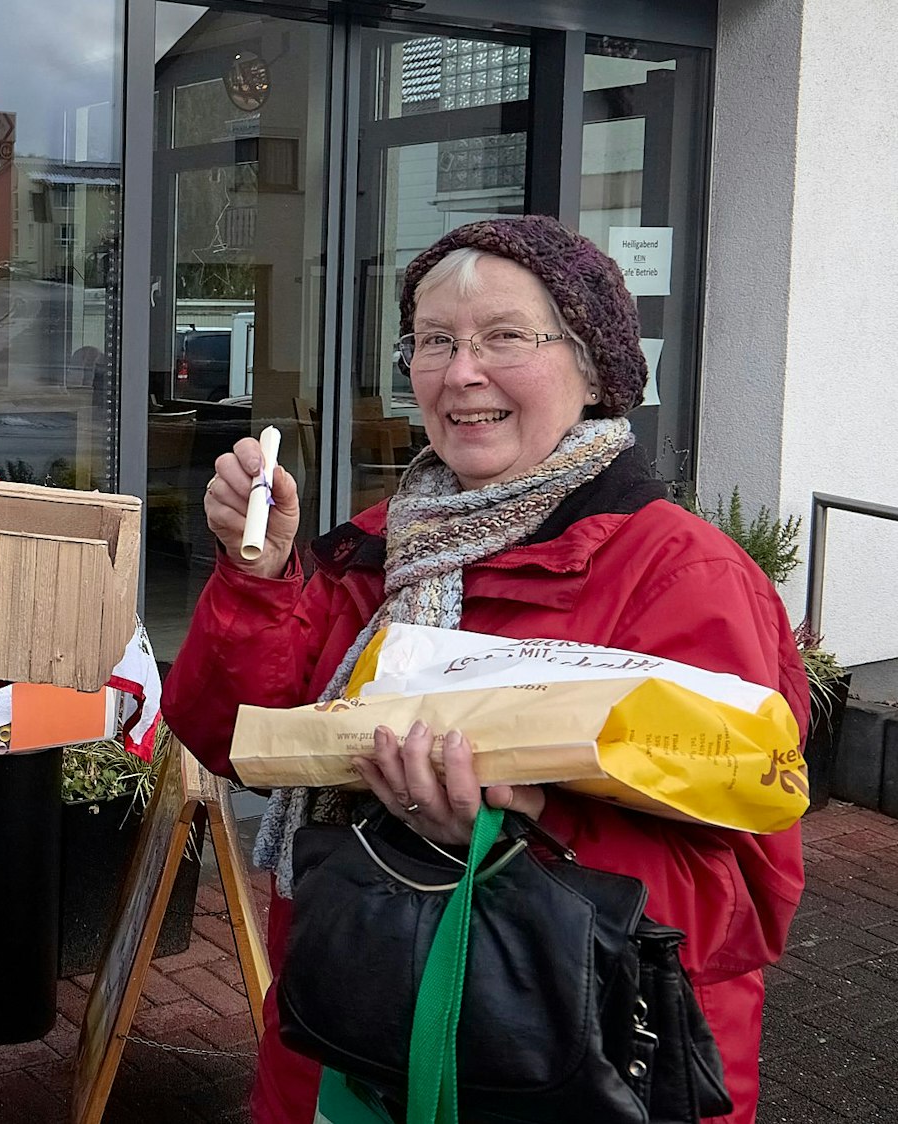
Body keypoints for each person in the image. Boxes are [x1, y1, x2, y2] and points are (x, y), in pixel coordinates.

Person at [163, 215, 807, 1124]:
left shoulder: (683, 579)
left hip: (573, 1063)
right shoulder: (386, 544)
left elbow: (739, 899)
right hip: (352, 1032)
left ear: (591, 371)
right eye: (433, 341)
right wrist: (258, 573)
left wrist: (514, 829)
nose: (461, 372)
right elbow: (234, 739)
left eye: (504, 336)